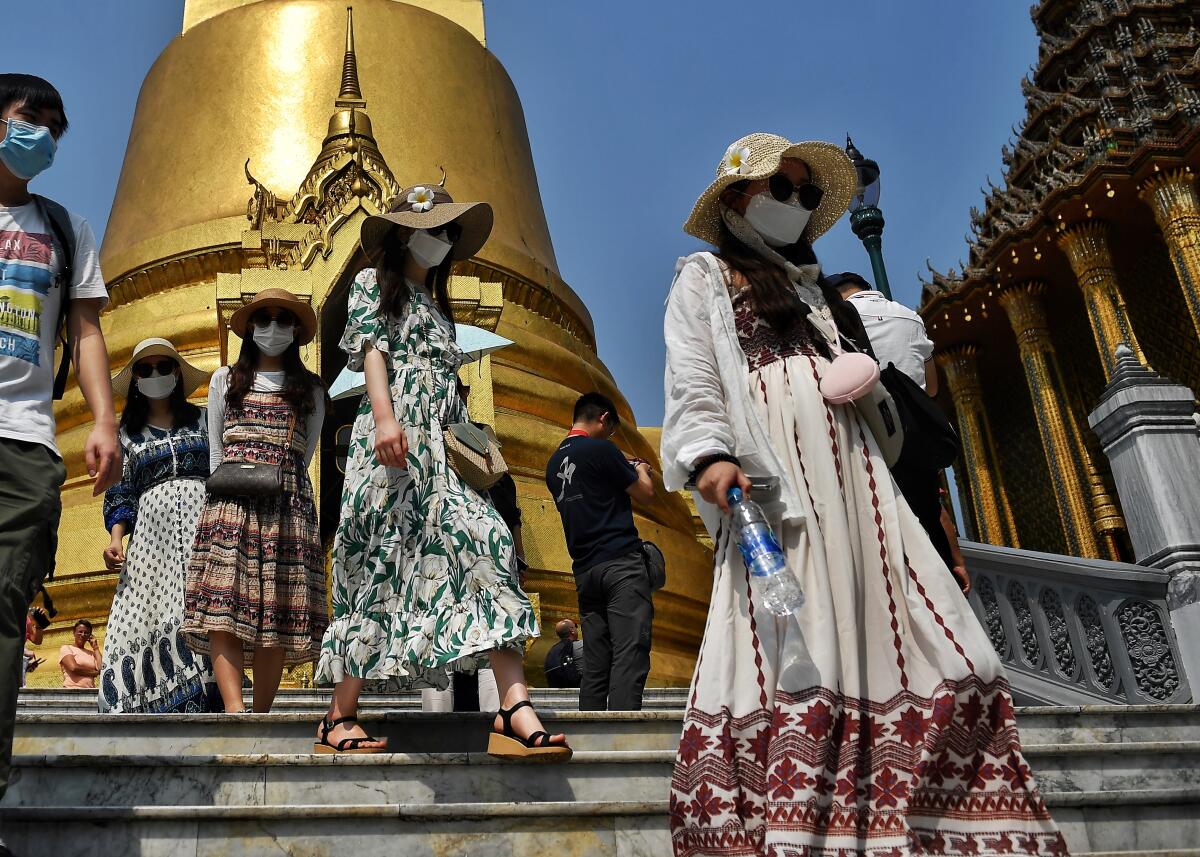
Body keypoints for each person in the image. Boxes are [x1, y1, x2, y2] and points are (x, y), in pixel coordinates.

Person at [661, 133, 1065, 853]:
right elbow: (695, 373)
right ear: (734, 200)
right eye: (780, 191)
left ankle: (917, 806)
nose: (796, 205)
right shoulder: (705, 275)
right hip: (776, 479)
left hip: (855, 472)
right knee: (800, 636)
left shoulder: (815, 293)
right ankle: (802, 816)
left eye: (807, 195)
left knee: (948, 646)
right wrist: (708, 454)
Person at [315, 182, 568, 760]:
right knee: (379, 568)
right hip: (391, 448)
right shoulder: (370, 289)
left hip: (442, 456)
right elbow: (373, 352)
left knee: (487, 542)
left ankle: (512, 706)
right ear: (405, 233)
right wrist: (383, 417)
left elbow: (448, 389)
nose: (443, 241)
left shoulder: (438, 308)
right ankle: (338, 717)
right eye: (434, 230)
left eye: (450, 232)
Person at [0, 74, 121, 813]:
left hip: (26, 439)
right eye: (27, 119)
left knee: (4, 614)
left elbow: (85, 332)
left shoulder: (65, 229)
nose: (42, 135)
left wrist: (104, 420)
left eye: (55, 126)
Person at [183, 289, 328, 714]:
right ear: (249, 329)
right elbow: (215, 453)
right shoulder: (223, 380)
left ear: (297, 331)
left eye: (283, 320)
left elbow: (306, 453)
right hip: (230, 506)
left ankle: (262, 712)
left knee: (277, 616)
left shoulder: (311, 390)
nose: (272, 328)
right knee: (222, 609)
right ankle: (234, 710)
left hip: (286, 508)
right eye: (263, 319)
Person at [830, 270, 970, 593]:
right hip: (919, 438)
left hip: (873, 441)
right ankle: (953, 573)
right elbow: (932, 388)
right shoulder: (909, 316)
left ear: (837, 296)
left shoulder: (838, 321)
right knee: (931, 508)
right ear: (867, 289)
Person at [99, 338, 217, 713]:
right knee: (143, 613)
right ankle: (143, 700)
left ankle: (209, 694)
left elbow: (222, 468)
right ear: (135, 380)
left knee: (202, 610)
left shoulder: (204, 419)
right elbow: (120, 493)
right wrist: (117, 540)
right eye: (145, 370)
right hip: (152, 538)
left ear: (177, 373)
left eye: (163, 367)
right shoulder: (126, 435)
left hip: (205, 529)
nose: (155, 375)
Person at [546, 392, 655, 711]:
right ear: (604, 418)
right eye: (611, 430)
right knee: (629, 651)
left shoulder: (553, 464)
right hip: (620, 564)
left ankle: (590, 733)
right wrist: (641, 469)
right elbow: (645, 493)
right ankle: (620, 739)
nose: (611, 437)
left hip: (585, 570)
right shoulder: (602, 450)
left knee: (594, 660)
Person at [543, 619, 584, 689]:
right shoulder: (580, 646)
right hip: (578, 686)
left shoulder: (553, 650)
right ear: (572, 631)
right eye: (575, 626)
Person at [59, 619, 100, 689]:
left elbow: (101, 668)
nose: (83, 635)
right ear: (74, 632)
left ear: (89, 636)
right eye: (80, 632)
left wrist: (95, 648)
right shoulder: (66, 648)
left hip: (90, 691)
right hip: (71, 689)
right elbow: (74, 668)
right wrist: (94, 673)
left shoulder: (92, 654)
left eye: (86, 633)